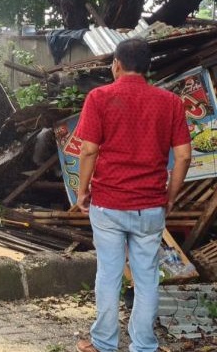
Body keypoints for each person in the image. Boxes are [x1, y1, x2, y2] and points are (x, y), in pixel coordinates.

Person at [74, 38, 191, 352]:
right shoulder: (170, 102)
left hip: (109, 204)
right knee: (147, 278)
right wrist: (170, 196)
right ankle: (143, 346)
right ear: (147, 68)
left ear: (116, 64)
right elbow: (183, 157)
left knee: (109, 275)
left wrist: (82, 191)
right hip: (151, 206)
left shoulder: (99, 97)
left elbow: (88, 150)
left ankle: (103, 343)